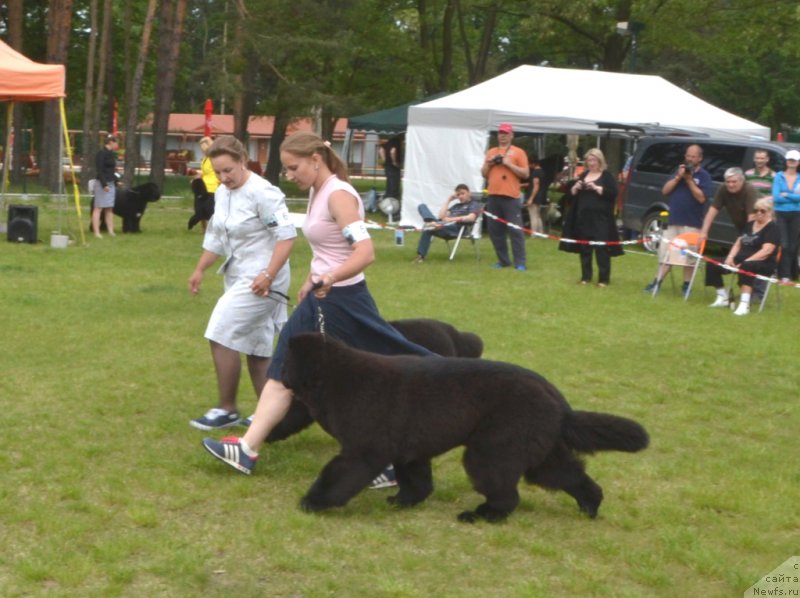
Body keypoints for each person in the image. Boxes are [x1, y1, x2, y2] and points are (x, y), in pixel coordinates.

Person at [201, 131, 434, 478]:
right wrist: (313, 278)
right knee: (283, 367)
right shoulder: (318, 190)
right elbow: (328, 248)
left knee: (393, 369)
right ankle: (246, 448)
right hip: (322, 297)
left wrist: (330, 278)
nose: (290, 175)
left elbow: (365, 252)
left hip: (342, 301)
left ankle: (463, 393)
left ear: (316, 159)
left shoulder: (338, 195)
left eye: (294, 168)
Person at [188, 135, 297, 431]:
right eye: (218, 172)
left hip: (263, 277)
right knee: (257, 346)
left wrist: (268, 275)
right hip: (238, 274)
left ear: (243, 162)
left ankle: (227, 409)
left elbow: (286, 237)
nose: (223, 178)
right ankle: (273, 418)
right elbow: (216, 236)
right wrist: (200, 269)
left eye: (228, 171)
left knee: (220, 333)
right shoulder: (223, 193)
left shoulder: (264, 192)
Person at [644, 144, 713, 295]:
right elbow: (665, 190)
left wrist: (689, 180)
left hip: (692, 223)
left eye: (693, 156)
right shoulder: (678, 171)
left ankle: (686, 286)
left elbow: (701, 198)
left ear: (700, 158)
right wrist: (678, 178)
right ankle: (657, 282)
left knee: (689, 256)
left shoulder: (704, 177)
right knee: (667, 253)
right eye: (688, 155)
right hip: (674, 221)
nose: (689, 159)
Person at [558, 148, 622, 286]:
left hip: (601, 219)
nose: (591, 163)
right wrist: (575, 188)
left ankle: (603, 279)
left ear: (600, 161)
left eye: (594, 160)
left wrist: (598, 188)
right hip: (583, 218)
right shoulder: (583, 175)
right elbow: (570, 196)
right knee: (585, 248)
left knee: (601, 248)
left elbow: (613, 193)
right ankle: (586, 277)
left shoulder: (606, 176)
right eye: (589, 160)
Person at [698, 167, 759, 307]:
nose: (730, 185)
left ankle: (754, 295)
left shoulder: (749, 191)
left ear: (741, 181)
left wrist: (745, 240)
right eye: (728, 182)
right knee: (714, 263)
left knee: (748, 261)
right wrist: (703, 232)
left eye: (734, 182)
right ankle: (723, 296)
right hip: (742, 231)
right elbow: (712, 211)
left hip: (757, 232)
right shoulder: (723, 189)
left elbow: (752, 219)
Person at [481, 123, 529, 271]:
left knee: (515, 230)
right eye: (500, 133)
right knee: (495, 231)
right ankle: (503, 261)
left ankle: (520, 262)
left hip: (511, 196)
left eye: (506, 133)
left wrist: (508, 164)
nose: (503, 135)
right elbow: (484, 174)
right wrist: (489, 164)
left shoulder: (518, 152)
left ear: (511, 135)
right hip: (494, 195)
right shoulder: (491, 151)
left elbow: (526, 174)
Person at [725, 197, 780, 316]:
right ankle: (721, 297)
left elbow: (766, 251)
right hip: (743, 259)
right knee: (714, 264)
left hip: (764, 263)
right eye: (756, 210)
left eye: (763, 211)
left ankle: (744, 305)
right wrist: (730, 257)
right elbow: (738, 242)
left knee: (747, 266)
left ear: (770, 212)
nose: (759, 213)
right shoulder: (749, 224)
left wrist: (745, 261)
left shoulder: (773, 228)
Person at [413, 184, 482, 263]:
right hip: (444, 224)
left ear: (469, 193)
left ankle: (421, 256)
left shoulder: (474, 204)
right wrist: (449, 200)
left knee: (429, 229)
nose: (460, 196)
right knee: (422, 206)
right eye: (458, 195)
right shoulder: (456, 206)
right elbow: (441, 216)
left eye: (463, 193)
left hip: (457, 228)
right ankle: (432, 222)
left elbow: (471, 217)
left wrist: (451, 219)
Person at [771, 149, 800, 282]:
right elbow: (776, 197)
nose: (791, 162)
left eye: (794, 160)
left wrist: (787, 195)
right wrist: (794, 197)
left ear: (798, 162)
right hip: (781, 213)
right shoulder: (779, 176)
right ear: (786, 161)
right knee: (784, 243)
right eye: (790, 160)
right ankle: (784, 274)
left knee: (793, 244)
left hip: (796, 213)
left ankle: (792, 273)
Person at [189, 136, 219, 232]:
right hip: (202, 187)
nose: (202, 151)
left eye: (204, 149)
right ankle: (204, 229)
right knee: (199, 209)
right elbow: (205, 172)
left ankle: (212, 229)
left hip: (212, 187)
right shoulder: (205, 158)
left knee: (210, 211)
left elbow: (216, 172)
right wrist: (197, 176)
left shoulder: (215, 159)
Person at [92, 134, 119, 239]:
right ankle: (96, 232)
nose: (117, 145)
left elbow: (111, 170)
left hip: (111, 183)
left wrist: (116, 180)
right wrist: (104, 184)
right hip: (102, 184)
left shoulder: (111, 154)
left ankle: (111, 231)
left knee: (109, 208)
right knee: (98, 207)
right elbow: (100, 170)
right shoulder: (101, 153)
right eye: (116, 142)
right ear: (110, 142)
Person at [524, 156, 547, 235]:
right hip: (540, 196)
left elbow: (535, 186)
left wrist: (531, 198)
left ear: (532, 163)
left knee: (533, 216)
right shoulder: (542, 171)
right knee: (538, 215)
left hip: (534, 196)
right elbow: (532, 184)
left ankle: (533, 233)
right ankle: (540, 232)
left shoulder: (535, 172)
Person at [380, 134, 403, 199]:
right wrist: (394, 161)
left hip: (387, 166)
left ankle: (388, 196)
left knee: (389, 182)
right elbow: (392, 151)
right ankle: (393, 199)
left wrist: (384, 159)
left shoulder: (388, 142)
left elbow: (381, 150)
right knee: (394, 183)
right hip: (394, 166)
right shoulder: (397, 142)